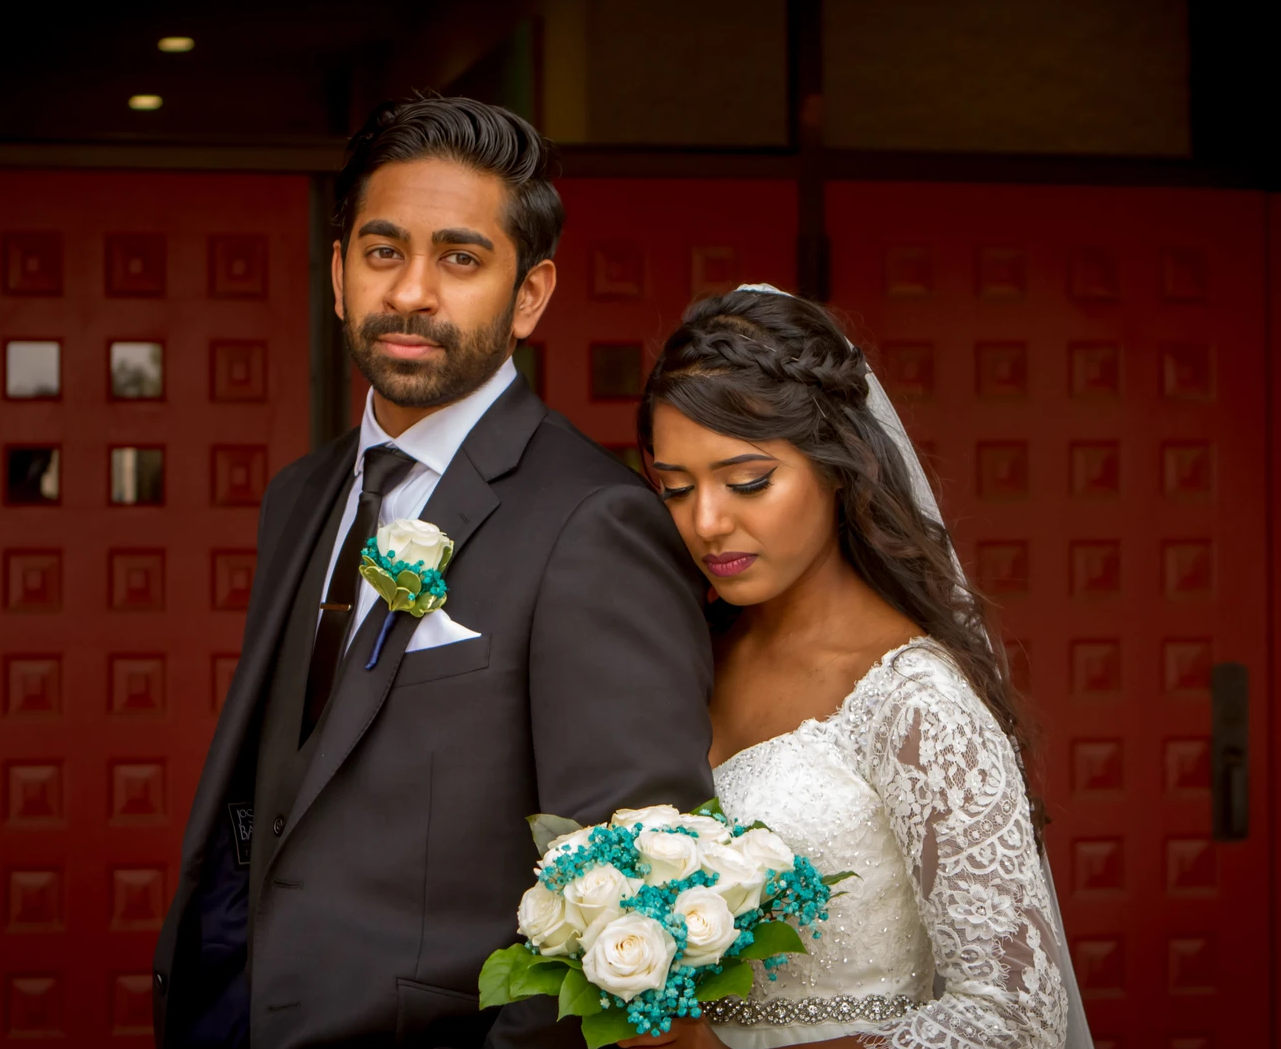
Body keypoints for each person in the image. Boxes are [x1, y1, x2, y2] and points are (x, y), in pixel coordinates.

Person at [151, 95, 715, 1049]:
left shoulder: (593, 520)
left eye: (459, 259)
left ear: (528, 295)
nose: (411, 291)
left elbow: (631, 884)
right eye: (383, 251)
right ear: (339, 273)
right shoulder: (301, 494)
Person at [625, 286, 1091, 1048]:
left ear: (836, 464)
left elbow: (1014, 1015)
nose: (705, 521)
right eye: (675, 488)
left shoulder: (914, 700)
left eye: (747, 481)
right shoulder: (683, 656)